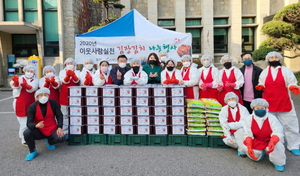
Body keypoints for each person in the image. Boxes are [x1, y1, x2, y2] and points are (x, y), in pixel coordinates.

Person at [256, 51, 300, 156]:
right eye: (271, 58)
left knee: (290, 125)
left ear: (279, 59)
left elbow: (291, 82)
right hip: (269, 103)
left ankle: (294, 145)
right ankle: (270, 144)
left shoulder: (286, 71)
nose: (274, 59)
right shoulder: (265, 72)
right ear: (268, 60)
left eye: (276, 57)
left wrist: (293, 87)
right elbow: (261, 82)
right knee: (269, 126)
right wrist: (260, 86)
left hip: (284, 102)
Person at [242, 98, 286, 172]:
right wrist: (249, 146)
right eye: (257, 108)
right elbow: (247, 133)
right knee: (251, 152)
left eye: (262, 108)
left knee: (278, 145)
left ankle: (278, 163)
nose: (260, 109)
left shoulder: (272, 118)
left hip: (270, 139)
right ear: (253, 108)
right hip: (257, 140)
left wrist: (272, 141)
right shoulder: (249, 118)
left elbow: (278, 131)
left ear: (266, 108)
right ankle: (261, 153)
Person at [23, 88, 65, 161]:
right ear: (37, 97)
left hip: (51, 128)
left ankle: (49, 141)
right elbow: (28, 123)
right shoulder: (32, 107)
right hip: (39, 130)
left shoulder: (53, 103)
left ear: (48, 95)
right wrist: (36, 125)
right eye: (41, 95)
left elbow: (59, 115)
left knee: (61, 138)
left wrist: (59, 127)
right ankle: (32, 151)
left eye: (45, 95)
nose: (43, 96)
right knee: (27, 133)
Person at [10, 65, 39, 146]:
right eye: (28, 71)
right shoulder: (20, 78)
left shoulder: (36, 80)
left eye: (31, 71)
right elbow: (14, 86)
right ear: (24, 71)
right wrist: (16, 82)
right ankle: (24, 139)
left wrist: (25, 85)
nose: (29, 73)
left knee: (31, 121)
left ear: (34, 72)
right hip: (20, 103)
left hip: (31, 103)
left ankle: (30, 135)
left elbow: (33, 88)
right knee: (23, 123)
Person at [58, 58, 80, 136]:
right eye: (68, 63)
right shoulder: (62, 72)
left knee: (75, 114)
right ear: (65, 65)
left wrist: (73, 75)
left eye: (71, 63)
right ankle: (65, 131)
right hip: (64, 95)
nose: (69, 65)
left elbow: (77, 81)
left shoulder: (77, 72)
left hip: (75, 96)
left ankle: (75, 130)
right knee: (65, 114)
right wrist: (67, 75)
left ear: (74, 64)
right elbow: (63, 81)